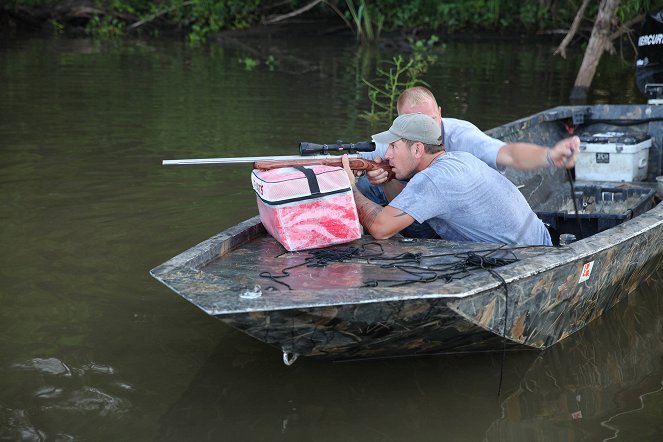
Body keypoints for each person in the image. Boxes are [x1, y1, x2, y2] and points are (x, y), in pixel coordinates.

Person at [342, 113, 553, 246]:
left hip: (526, 259)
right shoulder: (457, 159)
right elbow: (404, 209)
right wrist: (387, 180)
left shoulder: (434, 179)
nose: (387, 155)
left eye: (393, 147)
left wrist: (350, 189)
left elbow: (381, 228)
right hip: (538, 243)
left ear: (417, 149)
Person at [358, 86, 580, 206]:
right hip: (419, 208)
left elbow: (509, 154)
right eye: (414, 123)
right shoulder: (392, 142)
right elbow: (352, 159)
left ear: (441, 114)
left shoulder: (462, 136)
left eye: (431, 120)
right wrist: (371, 172)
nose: (425, 131)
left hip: (465, 210)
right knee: (366, 184)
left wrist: (550, 155)